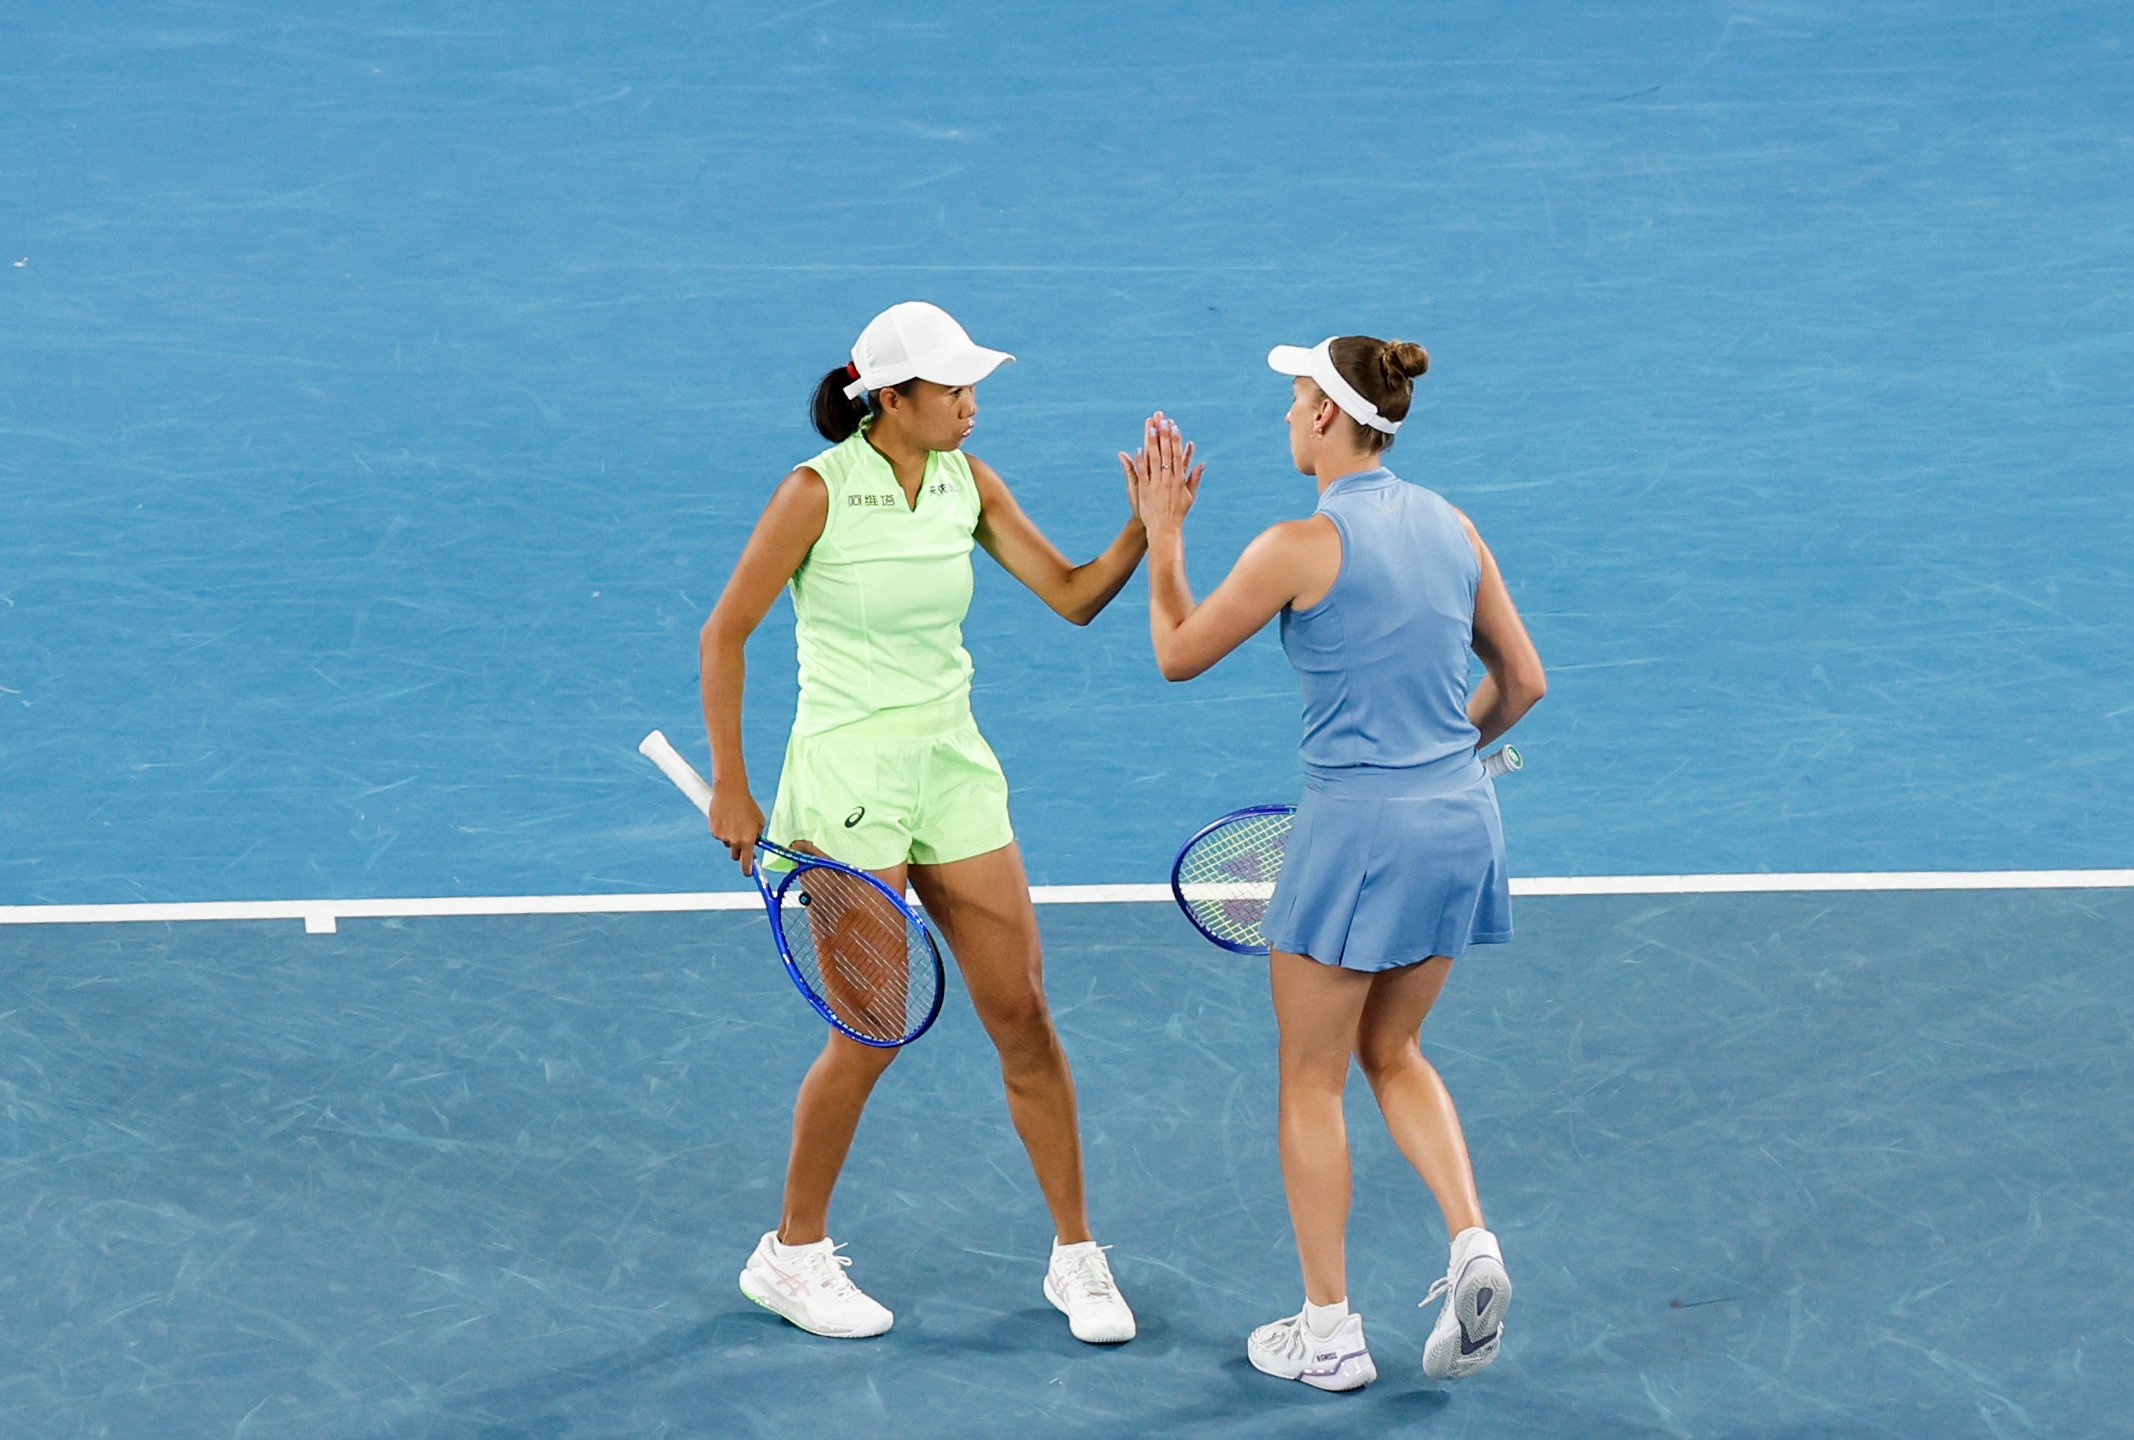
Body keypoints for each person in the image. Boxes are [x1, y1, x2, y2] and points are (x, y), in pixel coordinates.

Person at [700, 302, 1144, 1343]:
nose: (971, 406)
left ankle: (1077, 1257)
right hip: (847, 778)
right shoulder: (813, 495)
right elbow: (726, 635)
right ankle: (791, 1254)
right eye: (951, 390)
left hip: (951, 769)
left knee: (1022, 1012)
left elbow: (1073, 596)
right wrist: (734, 782)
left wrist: (1143, 531)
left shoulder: (967, 483)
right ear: (889, 401)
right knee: (870, 1033)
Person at [1128, 334, 1546, 1390]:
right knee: (1394, 1053)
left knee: (1309, 1082)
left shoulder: (1294, 545)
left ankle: (1328, 1335)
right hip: (1459, 822)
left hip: (1354, 835)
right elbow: (1523, 681)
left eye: (1293, 397)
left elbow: (1176, 654)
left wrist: (1162, 535)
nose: (1282, 416)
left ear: (1326, 415)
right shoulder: (1454, 526)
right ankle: (1471, 1243)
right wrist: (1445, 758)